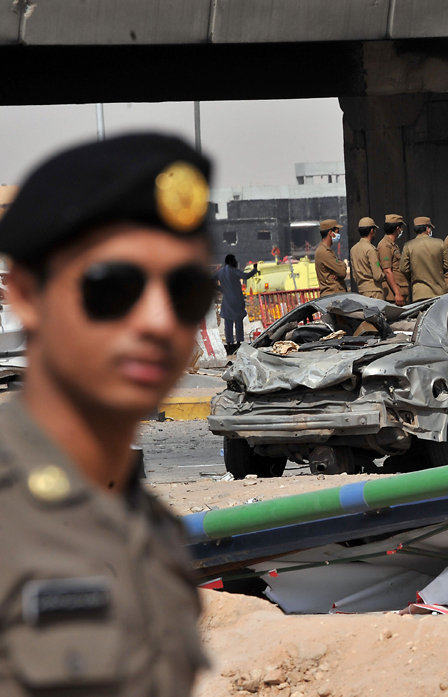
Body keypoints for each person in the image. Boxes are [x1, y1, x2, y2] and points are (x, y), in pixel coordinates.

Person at [0, 133, 215, 696]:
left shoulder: (148, 527)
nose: (156, 321)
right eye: (112, 288)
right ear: (24, 293)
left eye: (186, 292)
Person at [214, 254, 258, 354]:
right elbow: (246, 276)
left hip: (227, 301)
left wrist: (220, 289)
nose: (236, 262)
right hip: (237, 301)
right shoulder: (234, 271)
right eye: (234, 260)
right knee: (239, 323)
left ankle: (229, 344)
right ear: (230, 261)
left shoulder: (220, 272)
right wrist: (255, 270)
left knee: (228, 323)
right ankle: (238, 343)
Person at [400, 217, 448, 301]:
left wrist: (413, 278)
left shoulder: (408, 246)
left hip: (419, 293)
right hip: (439, 291)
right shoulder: (439, 243)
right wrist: (438, 272)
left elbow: (403, 268)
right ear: (427, 229)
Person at [349, 217, 385, 299]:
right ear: (372, 231)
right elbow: (377, 275)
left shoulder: (353, 249)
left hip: (362, 291)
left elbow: (354, 275)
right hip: (374, 292)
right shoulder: (371, 249)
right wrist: (384, 275)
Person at [379, 214, 408, 305]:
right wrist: (397, 293)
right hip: (393, 296)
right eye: (401, 228)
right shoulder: (385, 246)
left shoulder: (393, 245)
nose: (401, 230)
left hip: (400, 290)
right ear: (397, 228)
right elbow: (387, 270)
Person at [315, 219, 348, 296]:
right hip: (333, 295)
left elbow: (339, 269)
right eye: (337, 232)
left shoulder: (327, 250)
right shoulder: (324, 252)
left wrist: (339, 266)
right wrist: (342, 264)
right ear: (330, 233)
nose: (338, 235)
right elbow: (342, 272)